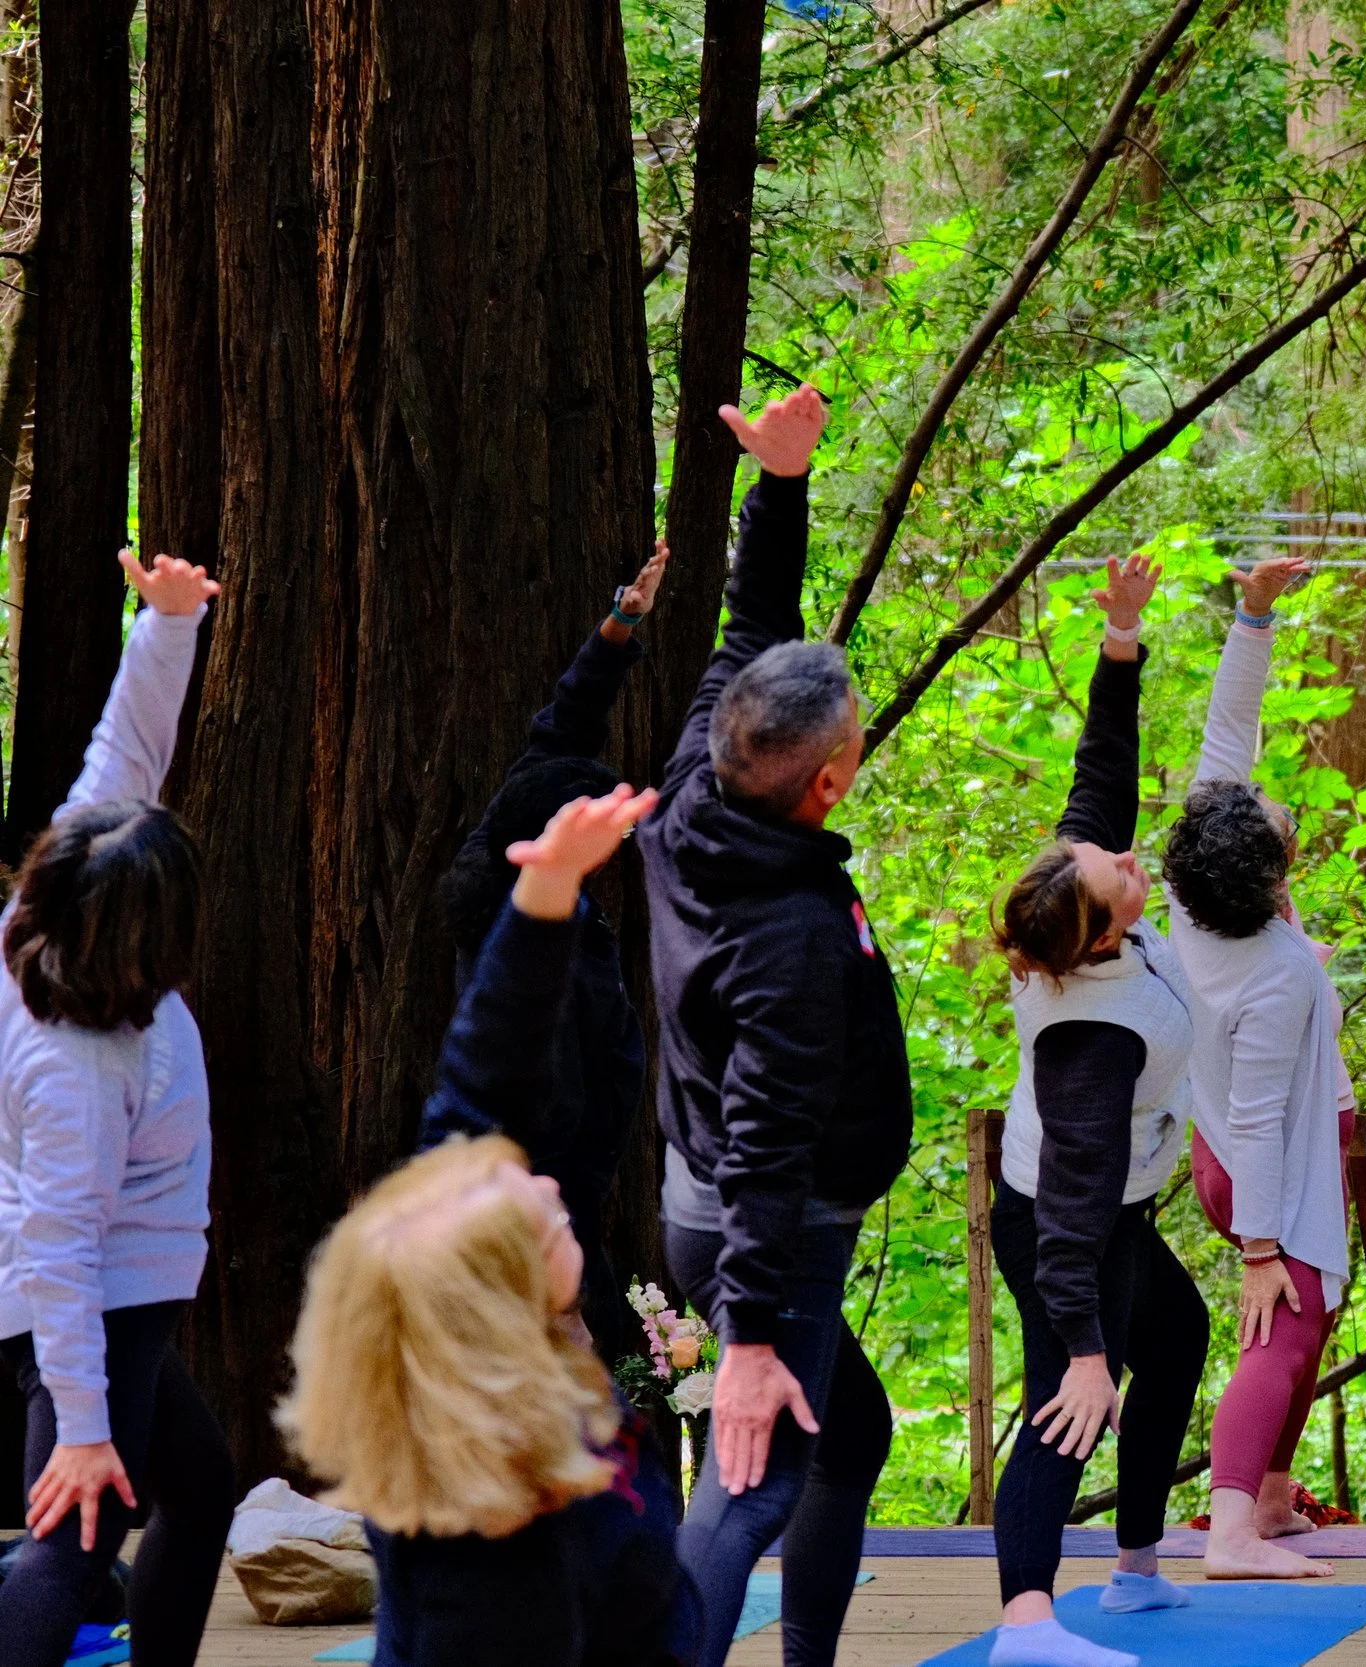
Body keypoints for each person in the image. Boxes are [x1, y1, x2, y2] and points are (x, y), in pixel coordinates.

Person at [283, 785, 694, 1667]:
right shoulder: (499, 1566)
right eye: (533, 1215)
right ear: (501, 1306)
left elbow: (483, 1080)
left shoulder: (449, 1278)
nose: (546, 1188)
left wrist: (546, 895)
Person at [643, 384, 908, 1667]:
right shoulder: (790, 941)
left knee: (846, 1436)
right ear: (827, 779)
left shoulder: (701, 779)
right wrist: (746, 1336)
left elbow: (751, 626)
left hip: (718, 1201)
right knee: (750, 1477)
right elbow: (768, 1133)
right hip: (770, 1226)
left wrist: (782, 487)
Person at [0, 550, 237, 1667]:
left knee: (200, 1489)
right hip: (95, 1305)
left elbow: (122, 750)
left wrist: (170, 624)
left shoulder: (47, 911)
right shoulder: (85, 1070)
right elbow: (62, 1243)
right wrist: (84, 1425)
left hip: (119, 1289)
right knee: (77, 1537)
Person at [985, 552, 1212, 1667]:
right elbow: (1070, 1211)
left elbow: (1098, 779)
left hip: (1107, 1206)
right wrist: (1080, 1344)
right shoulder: (1090, 1042)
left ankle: (1133, 1571)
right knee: (1068, 1406)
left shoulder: (1076, 908)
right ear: (1103, 933)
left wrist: (1120, 639)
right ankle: (1026, 1622)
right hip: (1066, 1221)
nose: (1125, 858)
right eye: (1115, 875)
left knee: (1177, 1333)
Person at [432, 539, 672, 1361]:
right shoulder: (536, 957)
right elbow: (552, 1102)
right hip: (545, 1209)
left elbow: (559, 732)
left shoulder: (510, 826)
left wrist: (617, 626)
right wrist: (572, 1209)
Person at [1164, 554, 1351, 1581]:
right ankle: (1231, 1528)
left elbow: (1225, 738)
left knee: (1314, 1314)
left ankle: (1270, 1498)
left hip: (1243, 1150)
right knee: (1282, 1324)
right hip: (1267, 1160)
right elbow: (1272, 1108)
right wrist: (1261, 1246)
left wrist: (1255, 615)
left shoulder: (1201, 893)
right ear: (1274, 872)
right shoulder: (1274, 970)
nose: (1276, 806)